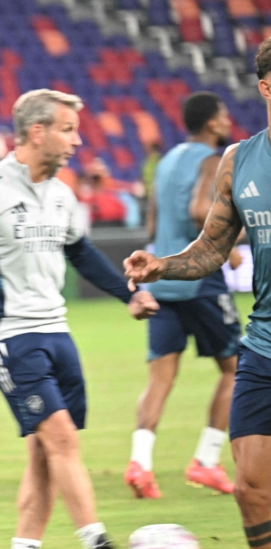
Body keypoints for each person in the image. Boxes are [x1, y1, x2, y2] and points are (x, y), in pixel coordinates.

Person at [0, 89, 159, 549]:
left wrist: (128, 295)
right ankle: (94, 536)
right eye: (67, 130)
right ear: (37, 132)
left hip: (57, 329)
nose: (76, 140)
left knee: (44, 448)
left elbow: (82, 254)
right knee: (60, 437)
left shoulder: (62, 193)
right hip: (7, 335)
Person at [124, 38, 271, 549]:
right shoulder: (239, 160)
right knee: (252, 490)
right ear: (265, 87)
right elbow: (212, 248)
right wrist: (159, 265)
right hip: (264, 345)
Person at [125, 92, 240, 500]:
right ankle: (207, 462)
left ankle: (140, 463)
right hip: (197, 278)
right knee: (236, 368)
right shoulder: (213, 158)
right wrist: (238, 238)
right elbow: (199, 212)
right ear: (212, 122)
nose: (227, 120)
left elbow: (153, 220)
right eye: (223, 114)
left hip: (162, 277)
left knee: (160, 376)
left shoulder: (168, 161)